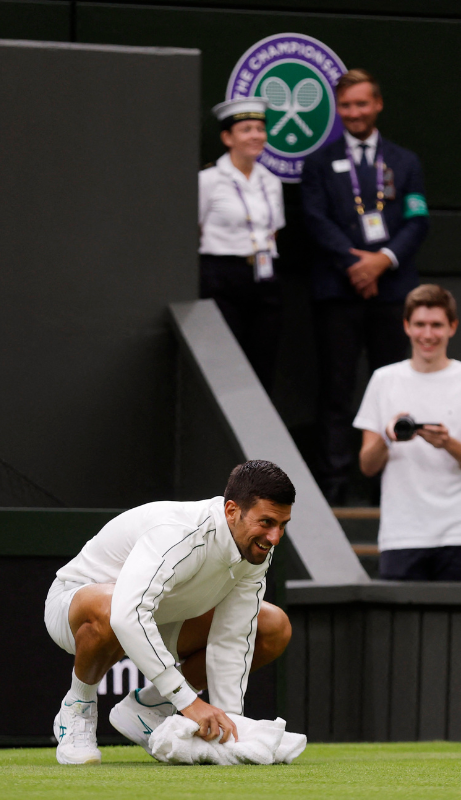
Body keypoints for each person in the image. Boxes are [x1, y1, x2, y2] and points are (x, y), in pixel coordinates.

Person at [44, 460, 295, 765]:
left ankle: (149, 708)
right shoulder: (180, 532)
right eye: (266, 522)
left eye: (282, 525)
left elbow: (233, 635)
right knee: (114, 606)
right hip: (74, 609)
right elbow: (127, 614)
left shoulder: (255, 550)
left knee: (271, 626)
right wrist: (188, 702)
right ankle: (77, 707)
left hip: (161, 616)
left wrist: (230, 724)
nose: (275, 537)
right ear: (232, 511)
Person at [301, 69, 431, 504]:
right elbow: (315, 219)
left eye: (362, 103)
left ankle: (390, 485)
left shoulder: (404, 160)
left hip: (393, 293)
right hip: (337, 293)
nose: (354, 112)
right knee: (336, 390)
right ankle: (334, 485)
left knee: (395, 388)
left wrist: (381, 262)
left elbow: (417, 221)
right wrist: (355, 264)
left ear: (377, 105)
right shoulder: (319, 162)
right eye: (346, 106)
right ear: (338, 110)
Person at [354, 285, 461, 581]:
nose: (428, 335)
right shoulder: (384, 380)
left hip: (460, 530)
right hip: (402, 532)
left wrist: (447, 443)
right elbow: (367, 466)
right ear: (407, 326)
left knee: (456, 625)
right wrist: (388, 436)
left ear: (452, 327)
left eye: (436, 325)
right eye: (420, 324)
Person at [198, 98, 286, 392]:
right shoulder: (209, 180)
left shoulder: (271, 181)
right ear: (227, 137)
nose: (256, 136)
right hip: (222, 277)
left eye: (260, 129)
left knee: (263, 363)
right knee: (225, 365)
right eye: (246, 129)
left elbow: (274, 229)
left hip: (264, 277)